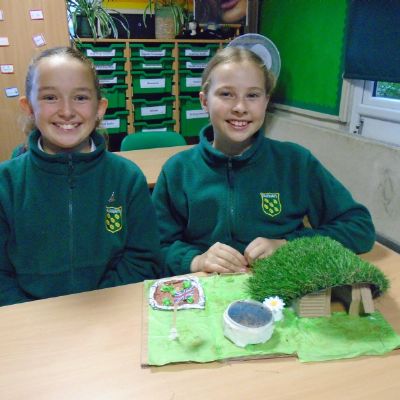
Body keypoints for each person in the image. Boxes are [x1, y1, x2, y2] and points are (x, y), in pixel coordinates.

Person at [152, 39, 376, 277]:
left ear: (266, 101)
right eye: (226, 94)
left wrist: (290, 246)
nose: (240, 107)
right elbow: (153, 246)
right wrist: (196, 260)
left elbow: (359, 227)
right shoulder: (178, 170)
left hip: (278, 289)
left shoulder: (296, 163)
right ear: (204, 101)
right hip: (206, 290)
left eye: (253, 95)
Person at [0, 47, 161, 307]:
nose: (66, 111)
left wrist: (99, 305)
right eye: (50, 97)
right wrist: (33, 316)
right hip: (29, 319)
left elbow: (143, 259)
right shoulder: (6, 183)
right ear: (29, 107)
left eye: (80, 97)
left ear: (100, 108)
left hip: (111, 310)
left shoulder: (126, 178)